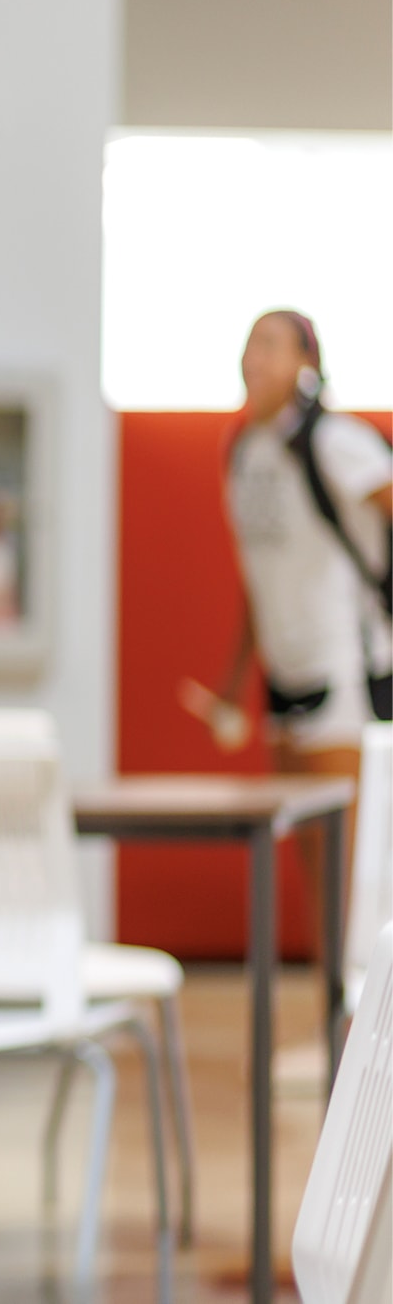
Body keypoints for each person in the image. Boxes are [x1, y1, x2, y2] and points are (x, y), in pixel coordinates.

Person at [183, 310, 392, 966]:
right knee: (312, 864)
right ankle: (338, 1028)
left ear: (307, 361)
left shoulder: (337, 442)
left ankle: (368, 1032)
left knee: (358, 865)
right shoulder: (244, 454)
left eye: (271, 344)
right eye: (249, 344)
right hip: (285, 676)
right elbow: (259, 579)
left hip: (347, 672)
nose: (254, 359)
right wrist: (232, 680)